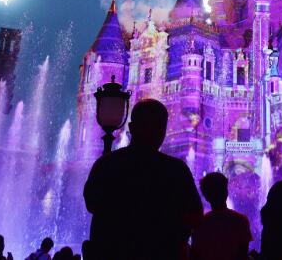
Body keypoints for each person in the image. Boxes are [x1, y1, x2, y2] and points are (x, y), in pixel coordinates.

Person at [84, 98, 203, 259]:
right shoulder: (175, 170)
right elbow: (195, 216)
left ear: (131, 128)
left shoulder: (106, 164)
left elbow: (91, 204)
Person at [191, 172, 253, 260]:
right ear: (226, 192)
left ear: (206, 197)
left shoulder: (199, 224)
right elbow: (242, 255)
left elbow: (195, 255)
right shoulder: (241, 220)